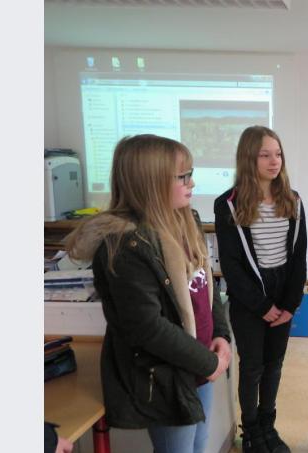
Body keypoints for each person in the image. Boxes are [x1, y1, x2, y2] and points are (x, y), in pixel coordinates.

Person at [66, 135, 232, 453]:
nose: (192, 182)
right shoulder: (126, 245)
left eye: (191, 173)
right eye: (182, 176)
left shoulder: (188, 220)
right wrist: (208, 362)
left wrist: (221, 335)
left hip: (202, 364)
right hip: (171, 375)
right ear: (150, 183)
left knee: (199, 446)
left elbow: (206, 285)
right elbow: (147, 327)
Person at [214, 126, 307, 453]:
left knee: (274, 364)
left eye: (278, 154)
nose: (274, 161)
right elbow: (231, 265)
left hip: (283, 291)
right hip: (249, 298)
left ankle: (268, 426)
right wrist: (261, 306)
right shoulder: (228, 204)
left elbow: (298, 257)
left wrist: (291, 305)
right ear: (248, 158)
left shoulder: (293, 200)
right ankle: (251, 430)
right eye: (265, 155)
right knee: (252, 366)